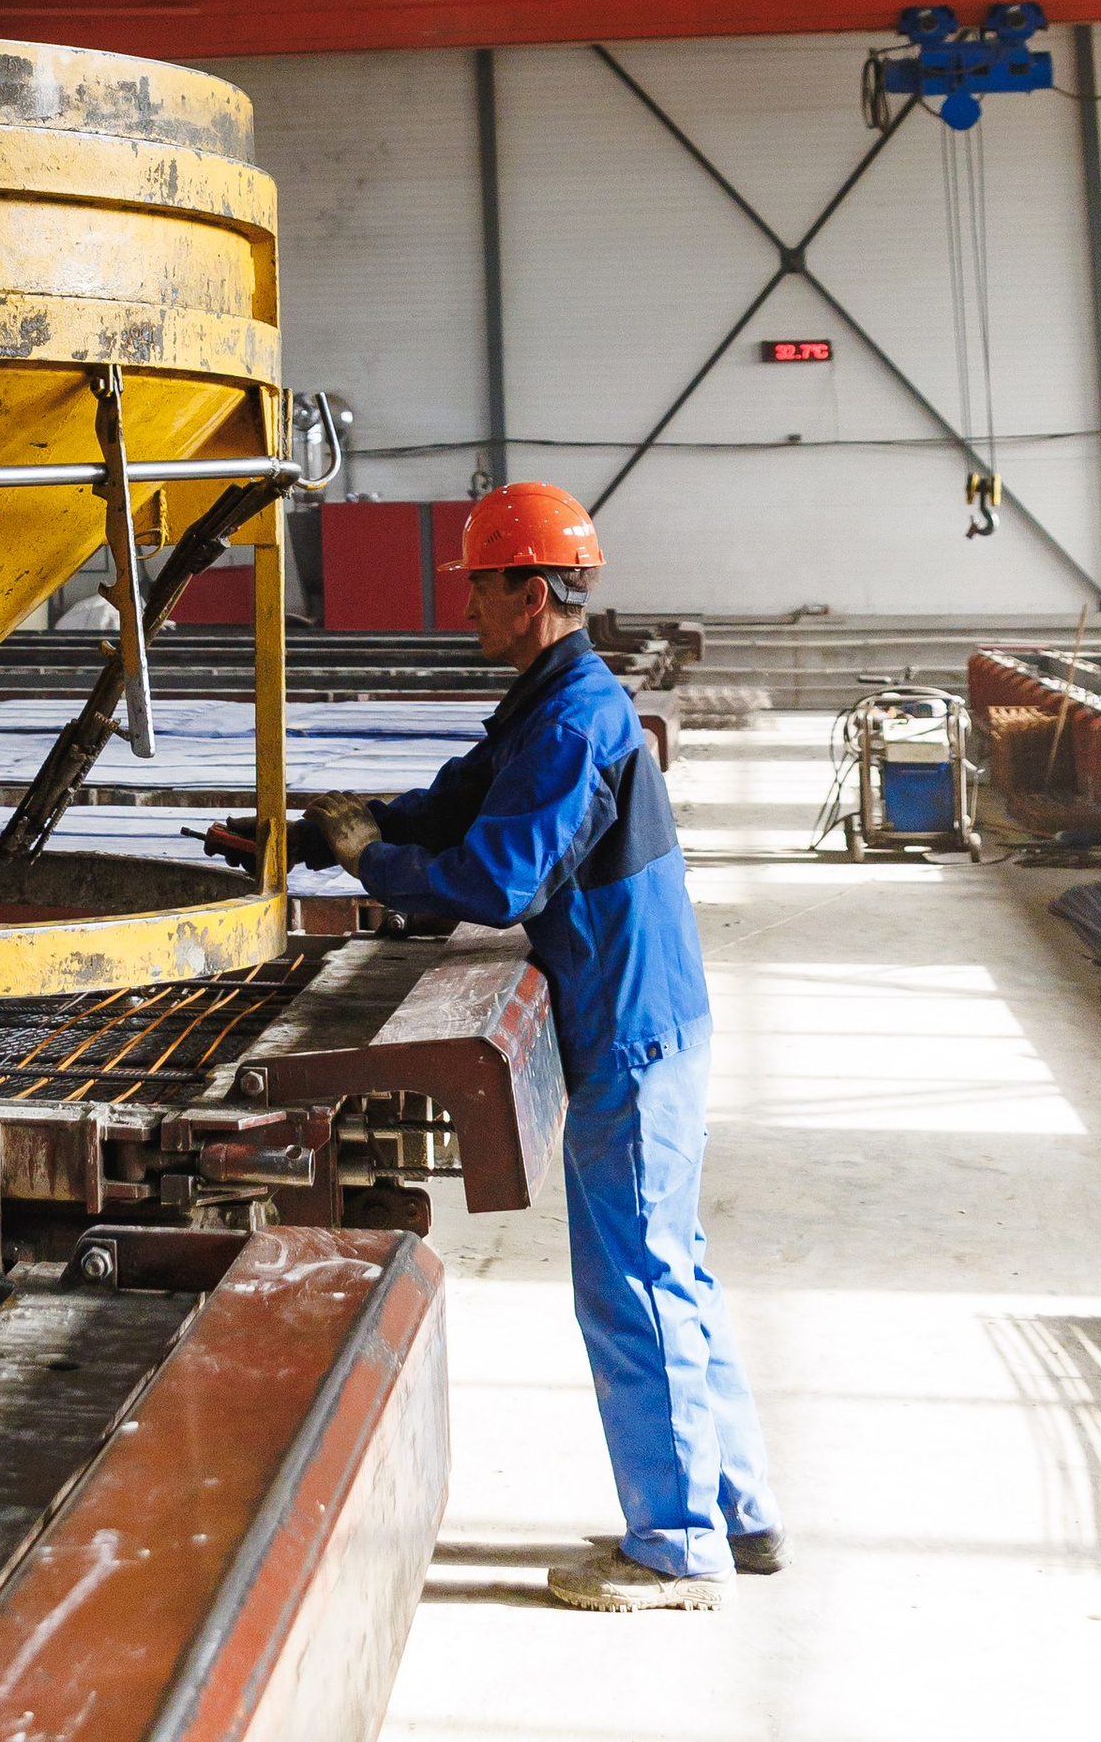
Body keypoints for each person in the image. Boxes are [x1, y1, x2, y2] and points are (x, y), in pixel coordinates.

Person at [295, 482, 783, 1614]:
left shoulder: (572, 722)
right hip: (649, 1014)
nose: (463, 602)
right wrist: (342, 831)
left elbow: (495, 877)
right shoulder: (550, 700)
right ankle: (735, 1509)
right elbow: (462, 807)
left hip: (629, 1031)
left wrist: (377, 865)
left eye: (476, 583)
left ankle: (675, 1545)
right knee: (674, 1268)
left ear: (531, 590)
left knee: (631, 1282)